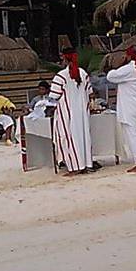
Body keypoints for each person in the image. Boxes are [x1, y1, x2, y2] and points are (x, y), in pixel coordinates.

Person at [49, 48, 93, 176]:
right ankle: (85, 164)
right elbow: (90, 92)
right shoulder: (83, 73)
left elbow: (54, 96)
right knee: (83, 137)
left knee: (67, 138)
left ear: (64, 58)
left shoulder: (61, 76)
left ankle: (74, 167)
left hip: (67, 113)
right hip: (82, 113)